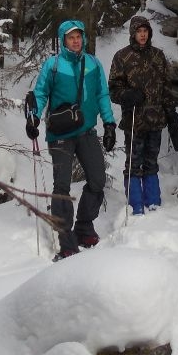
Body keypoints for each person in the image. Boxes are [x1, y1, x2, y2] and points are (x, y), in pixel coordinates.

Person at [26, 18, 117, 260]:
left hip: (87, 131)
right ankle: (66, 242)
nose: (76, 41)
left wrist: (109, 123)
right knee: (62, 187)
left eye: (78, 36)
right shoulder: (53, 65)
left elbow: (101, 94)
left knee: (97, 180)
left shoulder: (93, 63)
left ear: (83, 38)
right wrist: (33, 118)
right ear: (63, 40)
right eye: (70, 37)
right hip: (60, 135)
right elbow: (41, 93)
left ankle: (84, 227)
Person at [108, 14, 178, 214]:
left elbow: (166, 88)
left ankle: (153, 201)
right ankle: (135, 204)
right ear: (133, 33)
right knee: (133, 162)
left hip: (156, 119)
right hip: (134, 119)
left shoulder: (158, 55)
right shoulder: (122, 56)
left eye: (145, 31)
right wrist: (127, 94)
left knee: (151, 161)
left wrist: (172, 117)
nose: (142, 35)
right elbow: (113, 89)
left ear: (149, 33)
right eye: (139, 31)